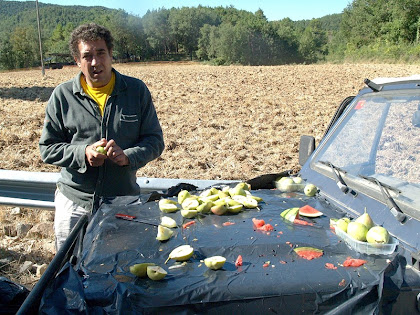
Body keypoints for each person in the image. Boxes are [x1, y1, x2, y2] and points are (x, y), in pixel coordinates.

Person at [39, 23, 164, 250]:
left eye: (101, 53)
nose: (95, 62)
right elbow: (47, 148)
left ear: (111, 54)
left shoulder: (136, 91)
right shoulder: (63, 96)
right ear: (77, 60)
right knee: (68, 272)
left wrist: (128, 156)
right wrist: (82, 154)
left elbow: (154, 141)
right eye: (87, 56)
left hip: (122, 202)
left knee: (121, 271)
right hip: (75, 204)